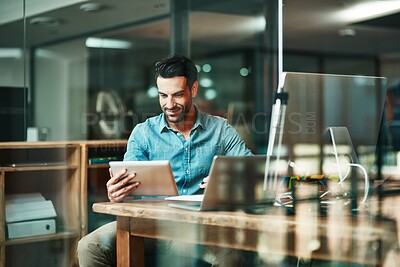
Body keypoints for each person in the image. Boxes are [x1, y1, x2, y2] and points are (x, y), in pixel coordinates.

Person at [77, 54, 253, 267]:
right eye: (163, 95)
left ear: (193, 89)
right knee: (89, 245)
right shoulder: (143, 133)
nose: (169, 104)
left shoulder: (221, 130)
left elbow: (252, 173)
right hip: (149, 225)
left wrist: (231, 183)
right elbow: (128, 188)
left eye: (177, 95)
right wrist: (117, 193)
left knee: (230, 256)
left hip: (202, 227)